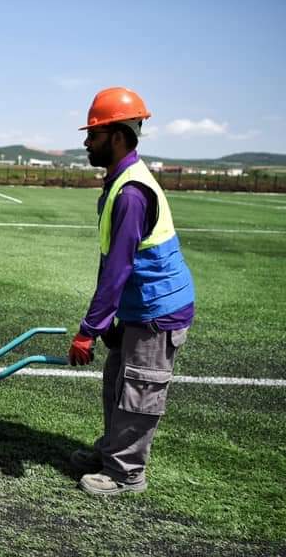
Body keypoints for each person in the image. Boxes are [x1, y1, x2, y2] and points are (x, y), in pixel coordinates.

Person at [67, 86, 195, 496]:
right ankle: (112, 452)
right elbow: (114, 263)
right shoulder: (119, 182)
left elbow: (118, 268)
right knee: (117, 380)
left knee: (139, 388)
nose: (87, 141)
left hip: (158, 311)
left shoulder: (132, 193)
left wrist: (89, 329)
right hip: (136, 307)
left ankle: (126, 474)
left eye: (94, 134)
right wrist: (107, 321)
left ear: (118, 136)